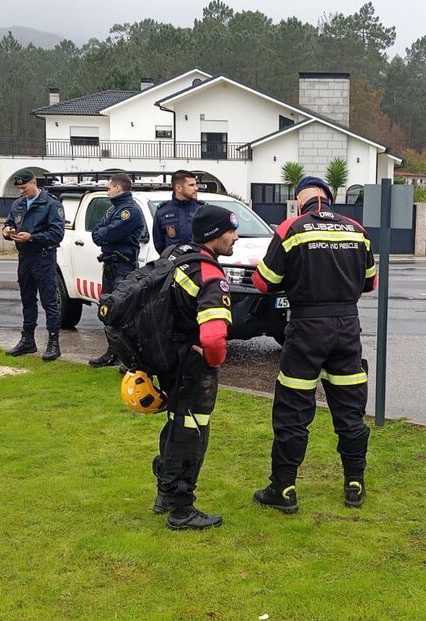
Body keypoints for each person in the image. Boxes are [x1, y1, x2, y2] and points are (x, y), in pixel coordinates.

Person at [251, 176, 376, 513]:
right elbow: (370, 283)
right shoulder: (356, 229)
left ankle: (285, 489)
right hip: (347, 329)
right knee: (350, 410)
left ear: (299, 200)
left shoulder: (290, 228)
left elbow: (264, 282)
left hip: (306, 328)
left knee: (293, 410)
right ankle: (354, 484)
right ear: (330, 197)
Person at [152, 204, 238, 530]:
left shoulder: (177, 254)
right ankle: (181, 509)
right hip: (193, 363)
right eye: (230, 231)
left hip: (168, 356)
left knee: (175, 424)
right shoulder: (211, 275)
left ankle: (164, 493)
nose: (236, 237)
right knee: (192, 432)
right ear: (214, 235)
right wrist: (213, 361)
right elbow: (214, 339)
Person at [2, 169, 65, 361]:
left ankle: (53, 342)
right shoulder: (18, 204)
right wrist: (7, 230)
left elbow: (57, 234)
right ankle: (28, 340)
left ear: (34, 183)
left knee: (49, 301)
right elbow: (10, 222)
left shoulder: (51, 204)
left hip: (43, 256)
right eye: (19, 188)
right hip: (25, 257)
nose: (22, 191)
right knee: (27, 299)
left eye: (24, 187)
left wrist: (33, 237)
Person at [89, 173, 146, 368]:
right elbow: (96, 234)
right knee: (107, 308)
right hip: (110, 264)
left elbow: (109, 233)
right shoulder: (114, 210)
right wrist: (103, 233)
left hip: (123, 265)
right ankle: (112, 352)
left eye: (109, 187)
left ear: (119, 189)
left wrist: (104, 233)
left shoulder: (129, 212)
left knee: (124, 311)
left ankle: (128, 356)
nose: (107, 190)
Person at [152, 170, 202, 255]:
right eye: (191, 185)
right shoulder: (163, 211)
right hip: (173, 264)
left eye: (195, 184)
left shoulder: (202, 209)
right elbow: (159, 244)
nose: (196, 188)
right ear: (178, 188)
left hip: (197, 262)